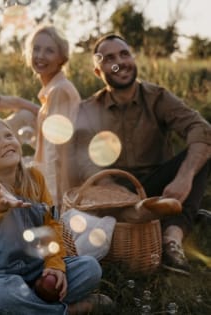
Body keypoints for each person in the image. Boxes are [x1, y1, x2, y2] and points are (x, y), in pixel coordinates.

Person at [64, 33, 211, 275]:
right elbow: (84, 161)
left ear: (133, 59)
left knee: (201, 152)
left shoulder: (158, 97)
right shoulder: (88, 110)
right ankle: (178, 215)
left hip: (159, 186)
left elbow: (201, 129)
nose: (119, 61)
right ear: (98, 72)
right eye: (109, 58)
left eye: (124, 54)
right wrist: (115, 193)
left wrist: (183, 177)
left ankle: (171, 239)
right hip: (114, 192)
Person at [0, 115, 113, 315]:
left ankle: (31, 306)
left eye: (8, 135)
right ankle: (70, 310)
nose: (5, 142)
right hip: (0, 277)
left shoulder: (35, 179)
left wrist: (55, 266)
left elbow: (51, 226)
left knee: (90, 268)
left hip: (39, 269)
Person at [23, 24, 81, 207]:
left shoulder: (59, 91)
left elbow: (54, 152)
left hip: (61, 186)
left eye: (49, 51)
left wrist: (53, 204)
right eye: (36, 49)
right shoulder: (52, 90)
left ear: (61, 59)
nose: (40, 56)